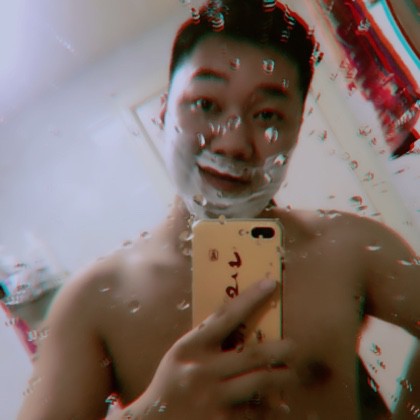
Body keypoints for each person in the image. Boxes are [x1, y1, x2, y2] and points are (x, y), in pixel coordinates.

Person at [19, 1, 419, 419]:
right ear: (164, 114)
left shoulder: (350, 248)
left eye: (267, 114)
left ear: (297, 130)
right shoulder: (95, 301)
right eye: (206, 105)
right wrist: (156, 412)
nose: (233, 143)